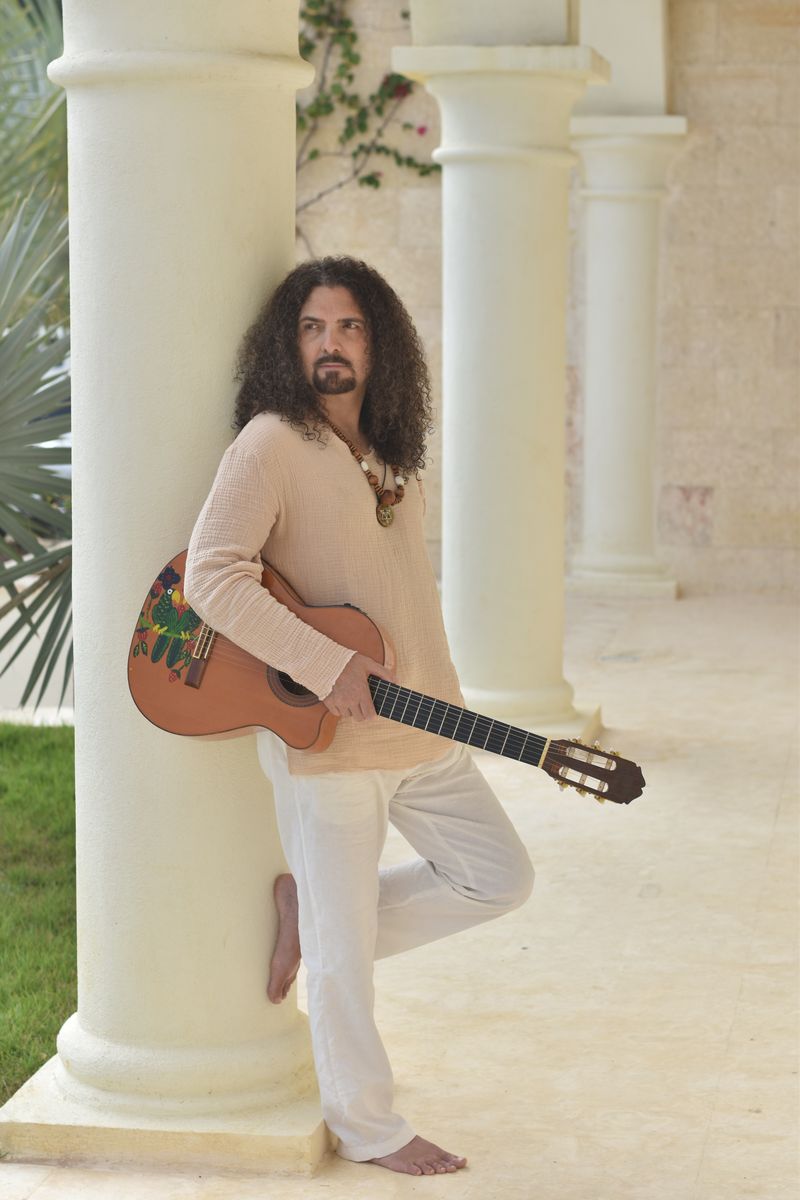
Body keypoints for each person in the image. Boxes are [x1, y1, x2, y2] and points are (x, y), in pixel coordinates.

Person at [184, 256, 534, 1178]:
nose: (330, 346)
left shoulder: (390, 452)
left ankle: (318, 917)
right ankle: (369, 1126)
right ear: (286, 346)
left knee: (499, 878)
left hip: (426, 728)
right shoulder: (268, 443)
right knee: (344, 960)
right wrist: (323, 662)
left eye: (348, 328)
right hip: (329, 742)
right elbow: (210, 575)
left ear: (379, 343)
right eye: (311, 329)